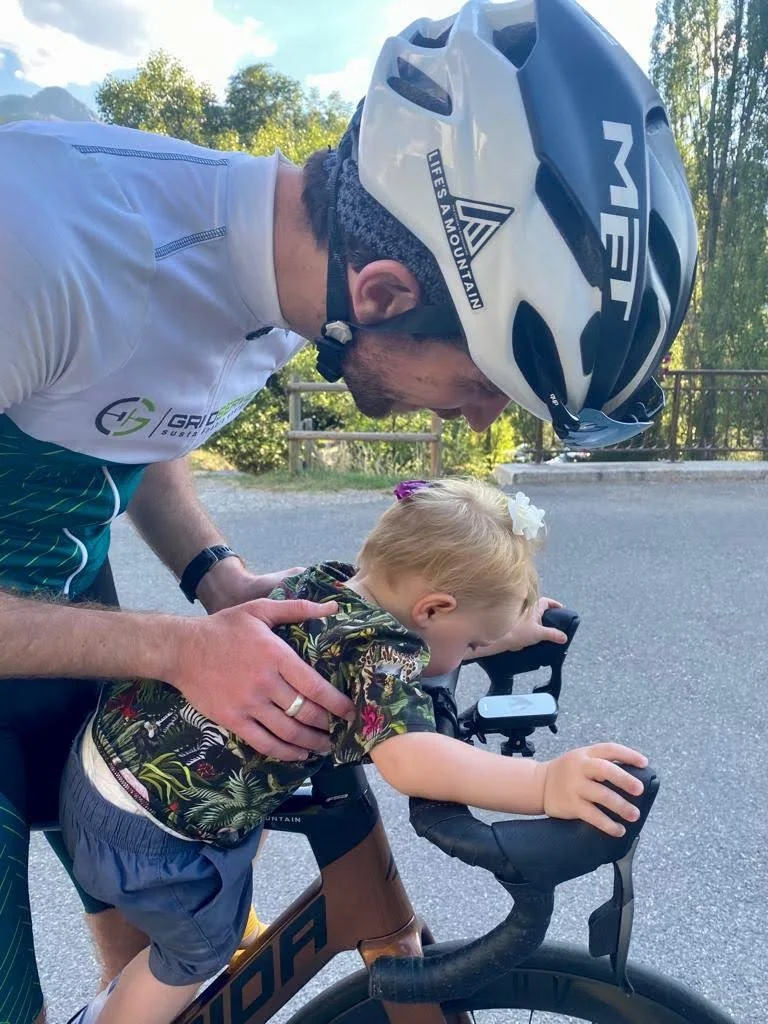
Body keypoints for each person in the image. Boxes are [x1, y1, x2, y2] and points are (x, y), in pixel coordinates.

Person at [0, 0, 697, 1019]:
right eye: (484, 382)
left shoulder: (287, 288)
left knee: (161, 961)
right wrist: (178, 648)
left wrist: (216, 578)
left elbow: (135, 408)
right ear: (382, 293)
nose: (479, 419)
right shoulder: (37, 249)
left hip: (55, 623)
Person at [60, 479, 648, 1024]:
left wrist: (496, 629)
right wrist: (544, 783)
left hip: (102, 764)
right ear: (431, 610)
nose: (470, 651)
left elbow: (415, 642)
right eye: (472, 642)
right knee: (201, 948)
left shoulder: (330, 583)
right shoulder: (384, 654)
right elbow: (411, 758)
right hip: (148, 835)